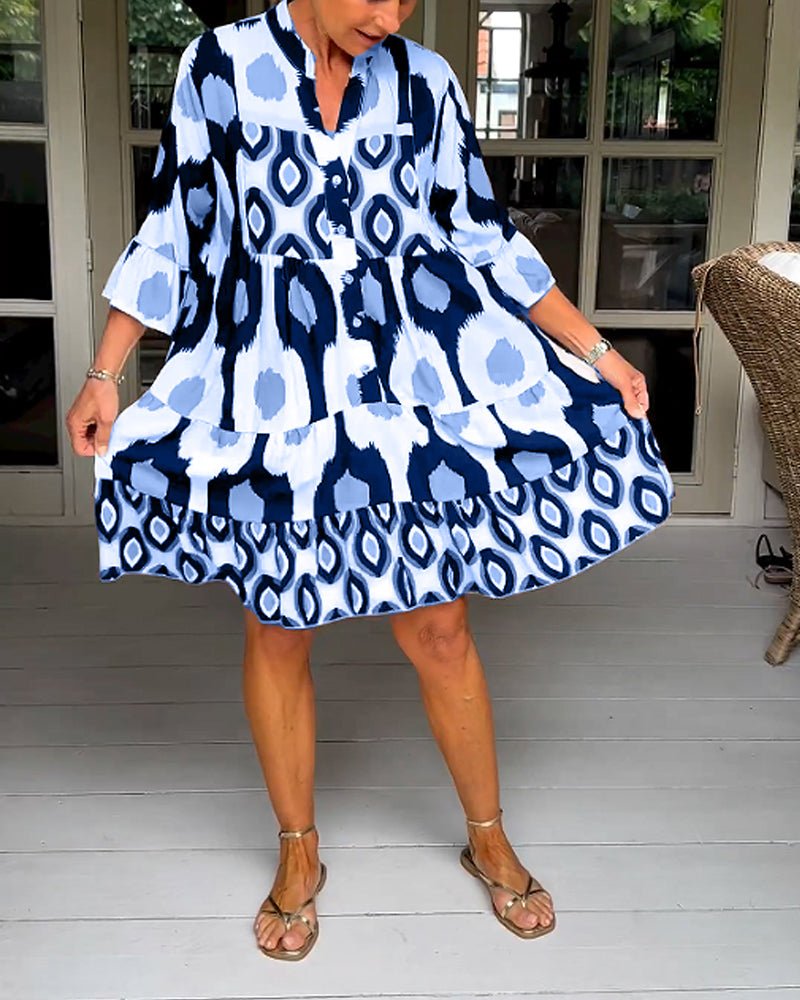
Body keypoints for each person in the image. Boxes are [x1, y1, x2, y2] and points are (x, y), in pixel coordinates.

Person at [66, 0, 675, 962]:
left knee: (439, 628)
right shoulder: (217, 68)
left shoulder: (425, 81)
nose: (389, 16)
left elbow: (481, 233)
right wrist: (107, 371)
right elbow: (176, 228)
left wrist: (593, 349)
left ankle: (488, 838)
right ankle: (298, 851)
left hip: (413, 382)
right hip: (272, 386)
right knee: (279, 624)